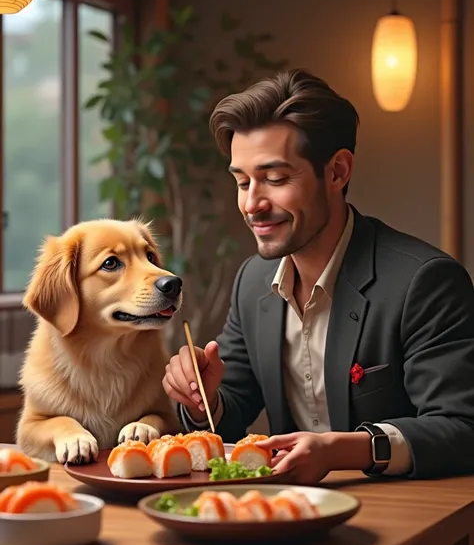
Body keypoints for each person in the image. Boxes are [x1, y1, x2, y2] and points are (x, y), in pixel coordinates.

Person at [163, 68, 474, 484]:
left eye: (275, 179)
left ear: (337, 171)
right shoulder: (253, 280)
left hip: (400, 515)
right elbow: (230, 414)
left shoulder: (424, 281)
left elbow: (462, 428)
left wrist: (341, 450)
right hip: (284, 513)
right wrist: (204, 398)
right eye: (242, 182)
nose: (252, 204)